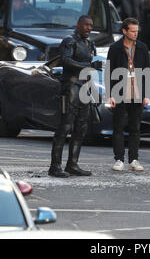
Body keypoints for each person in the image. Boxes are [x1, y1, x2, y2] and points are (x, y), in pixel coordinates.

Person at [48, 15, 103, 178]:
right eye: (86, 25)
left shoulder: (90, 43)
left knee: (81, 128)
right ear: (78, 25)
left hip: (84, 87)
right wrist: (89, 65)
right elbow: (65, 61)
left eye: (91, 25)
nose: (89, 28)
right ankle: (55, 166)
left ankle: (72, 164)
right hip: (71, 86)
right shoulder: (69, 40)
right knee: (65, 127)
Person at [105, 17, 150, 172]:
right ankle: (119, 159)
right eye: (132, 31)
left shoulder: (143, 48)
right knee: (118, 127)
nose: (136, 34)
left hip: (137, 91)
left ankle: (134, 159)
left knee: (135, 127)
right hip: (119, 90)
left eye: (137, 31)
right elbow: (109, 72)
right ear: (124, 31)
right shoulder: (115, 48)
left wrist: (147, 94)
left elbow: (147, 72)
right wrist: (110, 94)